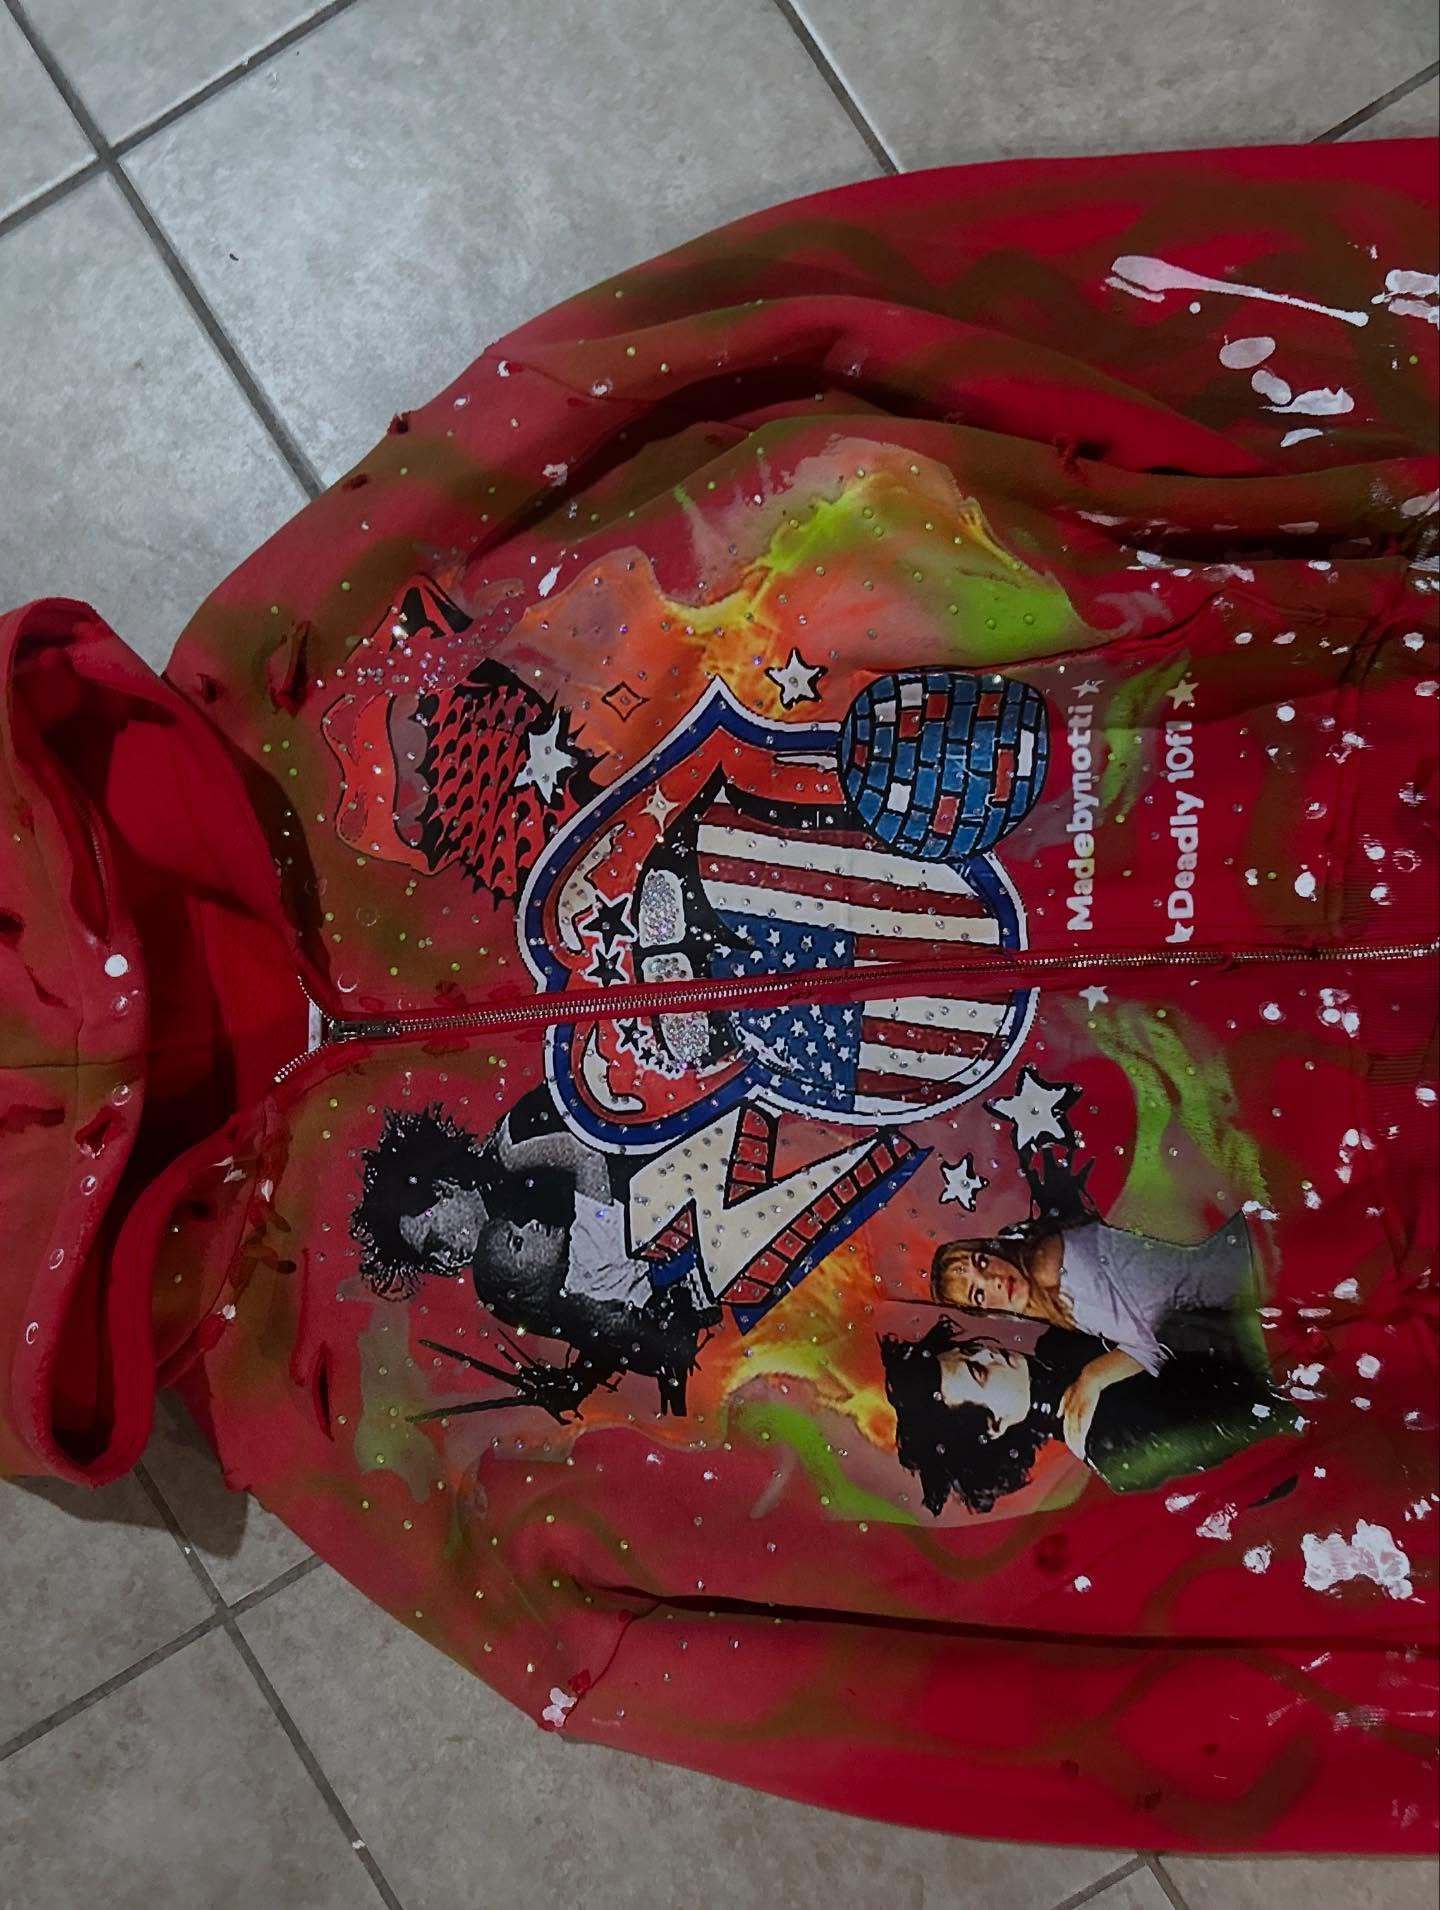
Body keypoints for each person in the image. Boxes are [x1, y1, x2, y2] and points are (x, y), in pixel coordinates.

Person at [350, 1092, 717, 1418]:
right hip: (700, 1263)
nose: (446, 1261)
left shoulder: (513, 1153)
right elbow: (596, 1315)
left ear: (446, 1189)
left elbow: (605, 1149)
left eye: (435, 1242)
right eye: (431, 1262)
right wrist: (579, 1380)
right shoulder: (502, 1285)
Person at [880, 1314, 1292, 1517]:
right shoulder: (1113, 1452)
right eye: (978, 1371)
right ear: (994, 1425)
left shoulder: (1057, 1340)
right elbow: (1254, 1444)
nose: (989, 1353)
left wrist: (1097, 1373)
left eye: (972, 1350)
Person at [931, 1211, 1259, 1377]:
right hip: (1241, 1284)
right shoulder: (1047, 1305)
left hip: (1246, 1269)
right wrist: (1095, 1377)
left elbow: (1159, 1328)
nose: (994, 1281)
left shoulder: (1048, 1267)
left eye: (982, 1262)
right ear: (984, 1312)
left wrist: (1094, 1376)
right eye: (978, 1294)